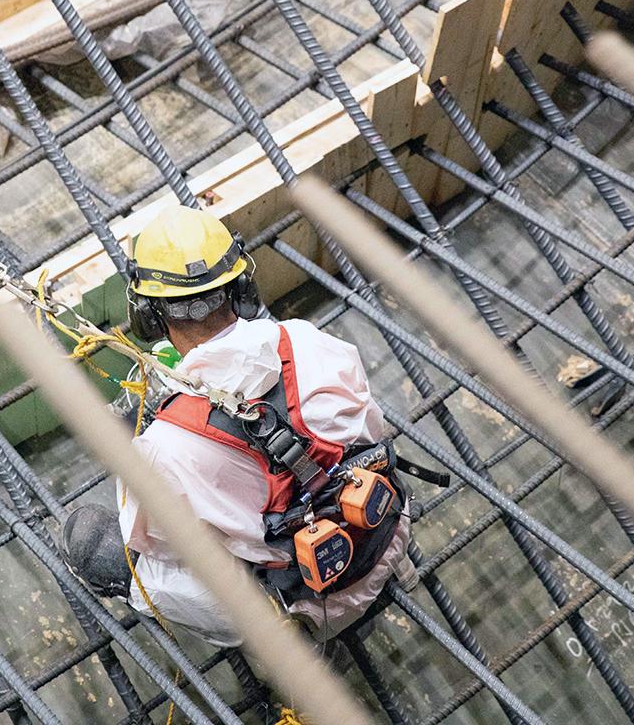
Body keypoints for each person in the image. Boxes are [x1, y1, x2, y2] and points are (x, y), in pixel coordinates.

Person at [61, 205, 418, 647]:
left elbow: (163, 547)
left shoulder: (162, 447)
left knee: (104, 549)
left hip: (306, 606)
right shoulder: (312, 342)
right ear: (242, 286)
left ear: (148, 316)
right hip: (387, 534)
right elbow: (371, 431)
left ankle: (291, 643)